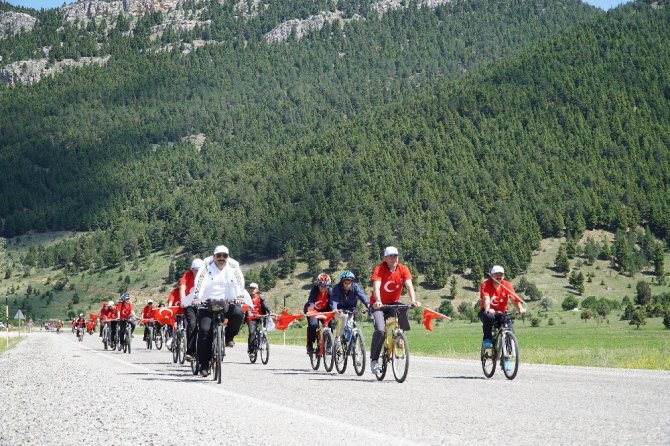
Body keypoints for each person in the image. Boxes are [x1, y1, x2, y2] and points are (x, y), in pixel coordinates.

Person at [192, 245, 246, 377]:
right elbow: (200, 281)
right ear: (214, 256)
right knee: (204, 330)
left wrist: (239, 295)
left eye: (224, 256)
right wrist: (197, 297)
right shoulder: (206, 266)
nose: (221, 258)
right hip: (207, 301)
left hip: (227, 301)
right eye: (219, 256)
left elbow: (239, 281)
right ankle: (204, 364)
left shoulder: (233, 266)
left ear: (228, 257)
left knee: (239, 313)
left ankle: (228, 337)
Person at [369, 246, 421, 374]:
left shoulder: (403, 269)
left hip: (392, 303)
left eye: (395, 256)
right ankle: (374, 360)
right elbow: (376, 287)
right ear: (385, 258)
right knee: (380, 330)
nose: (393, 259)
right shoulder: (379, 269)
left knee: (404, 309)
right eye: (390, 256)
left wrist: (413, 300)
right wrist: (378, 301)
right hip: (378, 305)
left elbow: (409, 286)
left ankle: (400, 338)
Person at [479, 265, 526, 356]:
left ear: (503, 276)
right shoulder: (486, 284)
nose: (498, 276)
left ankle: (507, 356)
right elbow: (486, 298)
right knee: (489, 316)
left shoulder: (507, 285)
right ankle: (487, 339)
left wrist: (520, 308)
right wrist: (488, 309)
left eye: (501, 274)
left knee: (509, 327)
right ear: (491, 275)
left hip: (501, 313)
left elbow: (513, 298)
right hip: (487, 312)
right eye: (496, 274)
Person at [178, 258, 205, 362]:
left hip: (202, 302)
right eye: (195, 270)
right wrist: (183, 301)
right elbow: (182, 288)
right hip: (190, 304)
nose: (196, 272)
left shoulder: (205, 275)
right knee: (192, 325)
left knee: (205, 326)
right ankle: (190, 351)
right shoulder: (187, 275)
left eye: (199, 270)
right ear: (191, 269)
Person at [305, 272, 333, 355]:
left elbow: (333, 302)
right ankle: (309, 345)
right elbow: (311, 301)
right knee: (313, 325)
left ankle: (329, 345)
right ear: (318, 284)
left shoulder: (330, 291)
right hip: (313, 310)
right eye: (321, 285)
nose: (323, 287)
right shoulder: (314, 290)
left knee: (330, 325)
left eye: (325, 285)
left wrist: (335, 309)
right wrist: (310, 309)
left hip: (325, 310)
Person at [245, 283, 271, 354]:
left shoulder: (260, 298)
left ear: (257, 290)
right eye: (251, 288)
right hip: (251, 318)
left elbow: (265, 306)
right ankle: (251, 350)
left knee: (263, 330)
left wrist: (270, 311)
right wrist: (248, 312)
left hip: (260, 317)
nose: (252, 290)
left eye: (254, 288)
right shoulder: (247, 298)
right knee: (252, 333)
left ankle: (263, 339)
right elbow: (245, 307)